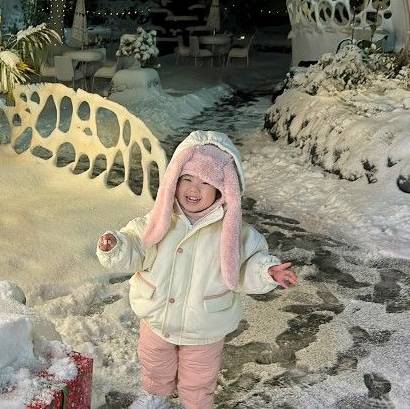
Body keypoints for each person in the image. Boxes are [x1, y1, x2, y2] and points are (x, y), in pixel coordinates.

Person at [96, 131, 297, 409]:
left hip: (205, 324)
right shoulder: (156, 221)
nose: (194, 189)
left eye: (206, 182)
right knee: (154, 361)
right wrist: (116, 246)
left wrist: (267, 272)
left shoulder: (234, 233)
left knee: (200, 376)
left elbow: (248, 264)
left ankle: (197, 405)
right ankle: (155, 395)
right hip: (158, 316)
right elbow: (135, 247)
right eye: (187, 179)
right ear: (174, 180)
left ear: (223, 190)